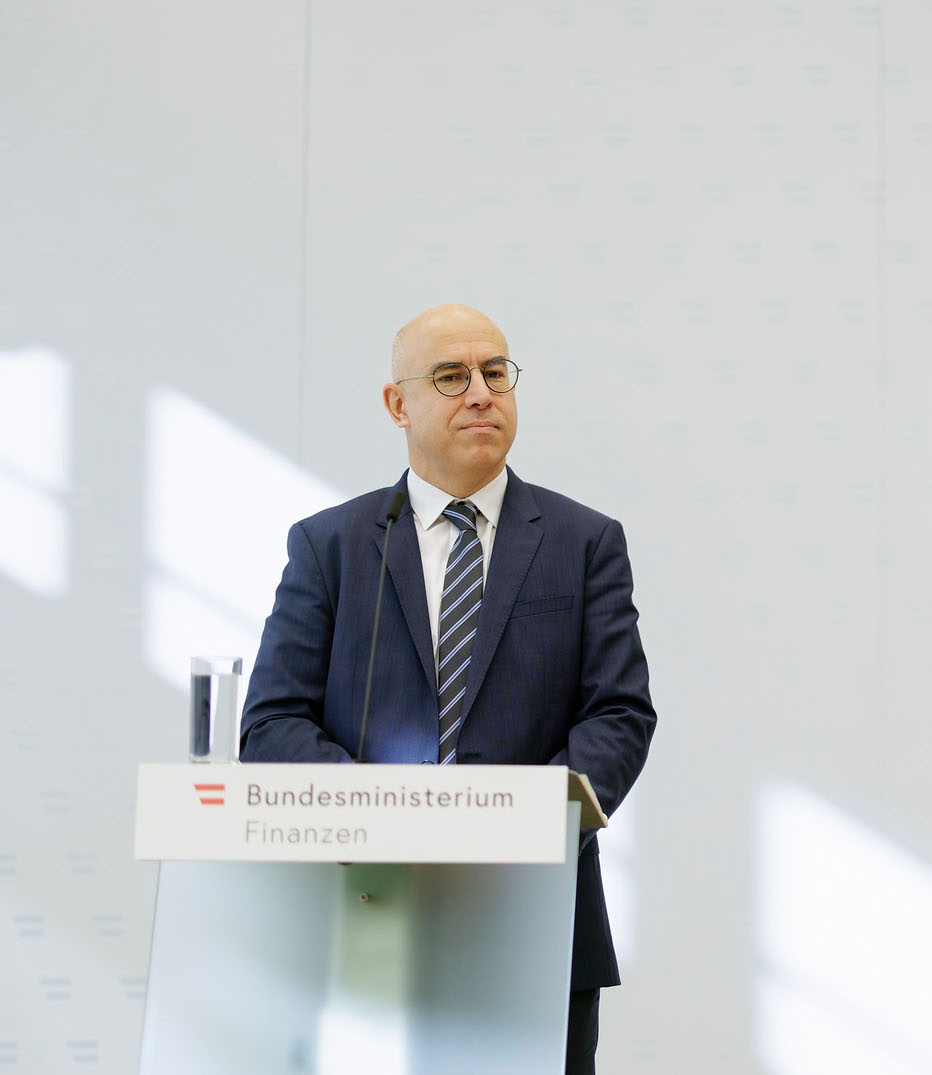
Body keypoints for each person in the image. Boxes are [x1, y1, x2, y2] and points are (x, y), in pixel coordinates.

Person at [240, 303, 657, 1071]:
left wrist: (516, 826)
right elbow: (271, 723)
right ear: (399, 404)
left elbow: (620, 711)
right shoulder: (330, 546)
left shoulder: (585, 541)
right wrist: (384, 822)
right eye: (451, 376)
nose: (480, 393)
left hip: (537, 915)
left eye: (496, 373)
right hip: (361, 910)